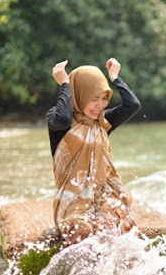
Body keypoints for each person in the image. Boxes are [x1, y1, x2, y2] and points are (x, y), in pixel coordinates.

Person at [47, 58, 141, 247]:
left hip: (104, 195)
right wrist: (64, 83)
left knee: (106, 226)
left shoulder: (103, 122)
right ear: (79, 95)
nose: (100, 105)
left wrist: (115, 78)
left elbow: (133, 105)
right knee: (84, 233)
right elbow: (64, 119)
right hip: (71, 202)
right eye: (94, 98)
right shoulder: (57, 120)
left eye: (104, 98)